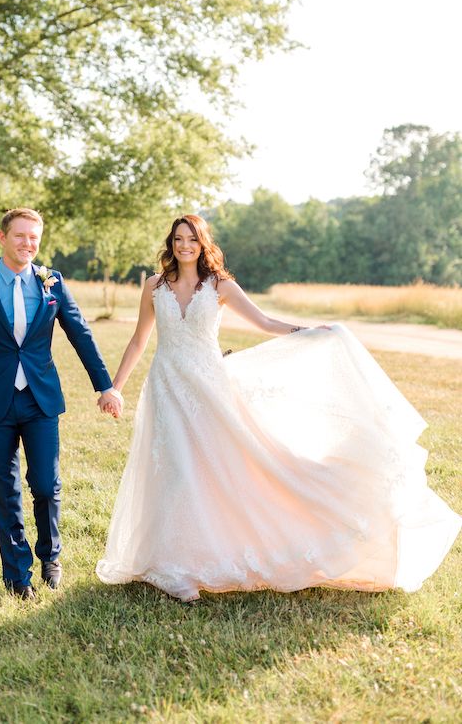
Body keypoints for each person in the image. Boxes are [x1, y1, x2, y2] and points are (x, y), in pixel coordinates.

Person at [96, 215, 461, 602]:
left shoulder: (220, 285)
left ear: (203, 244)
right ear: (170, 243)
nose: (184, 245)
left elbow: (264, 321)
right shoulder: (154, 287)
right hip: (167, 387)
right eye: (178, 239)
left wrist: (308, 332)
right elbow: (139, 340)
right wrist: (115, 388)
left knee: (220, 470)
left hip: (210, 390)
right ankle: (173, 566)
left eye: (192, 239)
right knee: (174, 472)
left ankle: (211, 554)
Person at [0, 208, 122, 600]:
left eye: (34, 238)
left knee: (46, 484)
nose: (28, 244)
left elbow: (80, 333)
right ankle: (16, 575)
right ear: (1, 237)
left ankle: (50, 556)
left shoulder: (52, 282)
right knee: (4, 490)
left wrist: (105, 387)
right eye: (20, 236)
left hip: (41, 399)